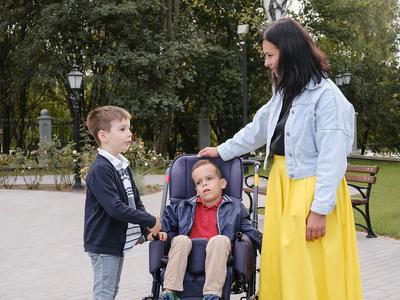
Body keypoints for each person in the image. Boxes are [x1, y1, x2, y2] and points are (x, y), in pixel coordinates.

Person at [198, 18, 362, 300]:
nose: (266, 62)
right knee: (286, 263)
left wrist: (320, 210)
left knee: (310, 265)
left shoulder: (328, 98)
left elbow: (333, 157)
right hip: (283, 185)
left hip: (311, 190)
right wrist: (222, 150)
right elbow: (259, 129)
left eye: (270, 55)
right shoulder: (286, 92)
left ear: (290, 52)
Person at [149, 159, 262, 300]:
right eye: (198, 182)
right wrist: (158, 232)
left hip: (219, 258)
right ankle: (169, 291)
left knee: (220, 240)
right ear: (196, 189)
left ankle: (212, 294)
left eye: (209, 178)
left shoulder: (235, 208)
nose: (204, 184)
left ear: (222, 183)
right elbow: (165, 226)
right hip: (187, 257)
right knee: (180, 239)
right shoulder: (181, 207)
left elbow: (248, 230)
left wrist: (265, 246)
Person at [84, 105, 162, 300]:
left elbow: (134, 201)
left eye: (129, 128)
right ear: (103, 135)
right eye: (122, 129)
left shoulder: (121, 164)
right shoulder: (101, 169)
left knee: (111, 291)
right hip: (103, 242)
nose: (129, 134)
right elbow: (115, 207)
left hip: (113, 242)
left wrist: (147, 230)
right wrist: (150, 220)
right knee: (105, 293)